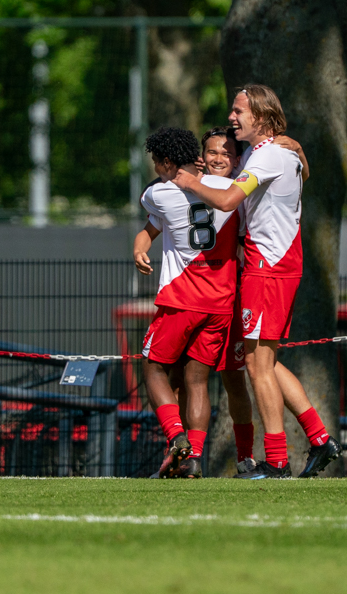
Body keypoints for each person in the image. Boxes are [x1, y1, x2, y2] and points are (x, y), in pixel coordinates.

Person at [172, 85, 342, 479]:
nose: (232, 117)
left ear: (261, 118)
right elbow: (300, 160)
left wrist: (188, 181)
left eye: (239, 111)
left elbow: (230, 200)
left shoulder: (268, 156)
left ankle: (278, 461)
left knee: (255, 364)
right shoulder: (267, 151)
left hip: (269, 269)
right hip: (271, 267)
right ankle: (319, 440)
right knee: (265, 361)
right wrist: (291, 144)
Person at [134, 127, 241, 479]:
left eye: (156, 162)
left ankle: (175, 437)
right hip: (220, 302)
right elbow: (152, 228)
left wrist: (174, 175)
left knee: (153, 368)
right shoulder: (230, 188)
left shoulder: (160, 193)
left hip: (183, 297)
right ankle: (193, 458)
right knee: (197, 380)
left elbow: (147, 197)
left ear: (166, 162)